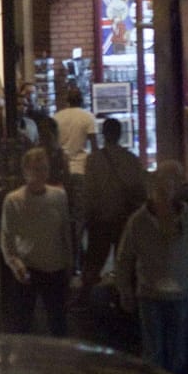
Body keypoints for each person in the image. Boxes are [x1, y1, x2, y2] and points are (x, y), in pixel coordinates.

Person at [115, 160, 188, 374]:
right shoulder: (139, 220)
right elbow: (125, 257)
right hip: (151, 294)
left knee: (177, 352)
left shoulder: (186, 216)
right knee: (155, 352)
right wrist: (125, 290)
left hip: (180, 293)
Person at [0, 147, 74, 336]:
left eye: (43, 169)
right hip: (28, 267)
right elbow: (7, 238)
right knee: (23, 323)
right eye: (35, 169)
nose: (39, 174)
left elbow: (65, 230)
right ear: (25, 172)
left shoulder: (58, 196)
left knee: (58, 321)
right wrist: (15, 264)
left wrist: (69, 262)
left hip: (54, 266)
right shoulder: (13, 200)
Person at [81, 117, 147, 286]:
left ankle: (87, 300)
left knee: (94, 262)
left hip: (101, 218)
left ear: (104, 135)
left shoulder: (93, 160)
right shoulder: (131, 159)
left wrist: (86, 216)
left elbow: (89, 191)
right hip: (124, 217)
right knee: (124, 262)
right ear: (120, 134)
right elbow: (140, 189)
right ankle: (123, 299)